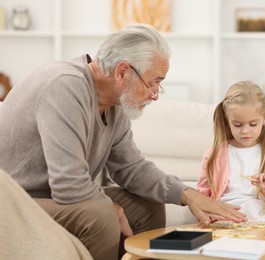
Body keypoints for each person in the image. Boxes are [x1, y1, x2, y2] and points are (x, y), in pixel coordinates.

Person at [0, 24, 246, 260]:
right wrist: (110, 206)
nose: (155, 94)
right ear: (122, 71)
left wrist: (188, 195)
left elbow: (132, 169)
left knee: (147, 207)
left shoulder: (114, 103)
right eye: (153, 82)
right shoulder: (64, 86)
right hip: (16, 203)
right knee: (101, 214)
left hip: (51, 200)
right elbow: (69, 184)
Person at [197, 81, 265, 222]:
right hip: (225, 224)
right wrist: (210, 214)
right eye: (237, 124)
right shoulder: (213, 155)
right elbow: (200, 200)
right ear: (227, 120)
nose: (245, 131)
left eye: (253, 124)